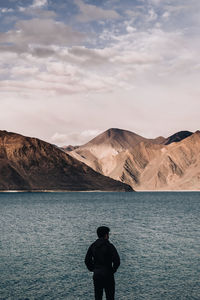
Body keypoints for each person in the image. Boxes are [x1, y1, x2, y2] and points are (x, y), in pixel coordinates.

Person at [85, 226, 120, 300]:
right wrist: (113, 270)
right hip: (108, 274)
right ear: (106, 235)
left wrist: (93, 269)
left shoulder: (93, 246)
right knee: (110, 297)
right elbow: (117, 261)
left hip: (97, 274)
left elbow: (87, 260)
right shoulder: (109, 246)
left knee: (98, 296)